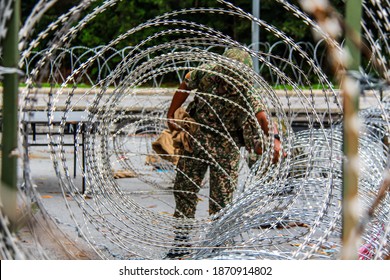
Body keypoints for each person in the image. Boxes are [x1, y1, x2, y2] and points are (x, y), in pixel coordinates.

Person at [165, 48, 283, 257]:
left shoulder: (245, 87)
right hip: (197, 138)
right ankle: (181, 242)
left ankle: (218, 245)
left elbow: (263, 118)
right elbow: (185, 86)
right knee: (184, 190)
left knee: (222, 198)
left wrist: (274, 140)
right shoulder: (207, 72)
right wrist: (171, 114)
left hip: (226, 145)